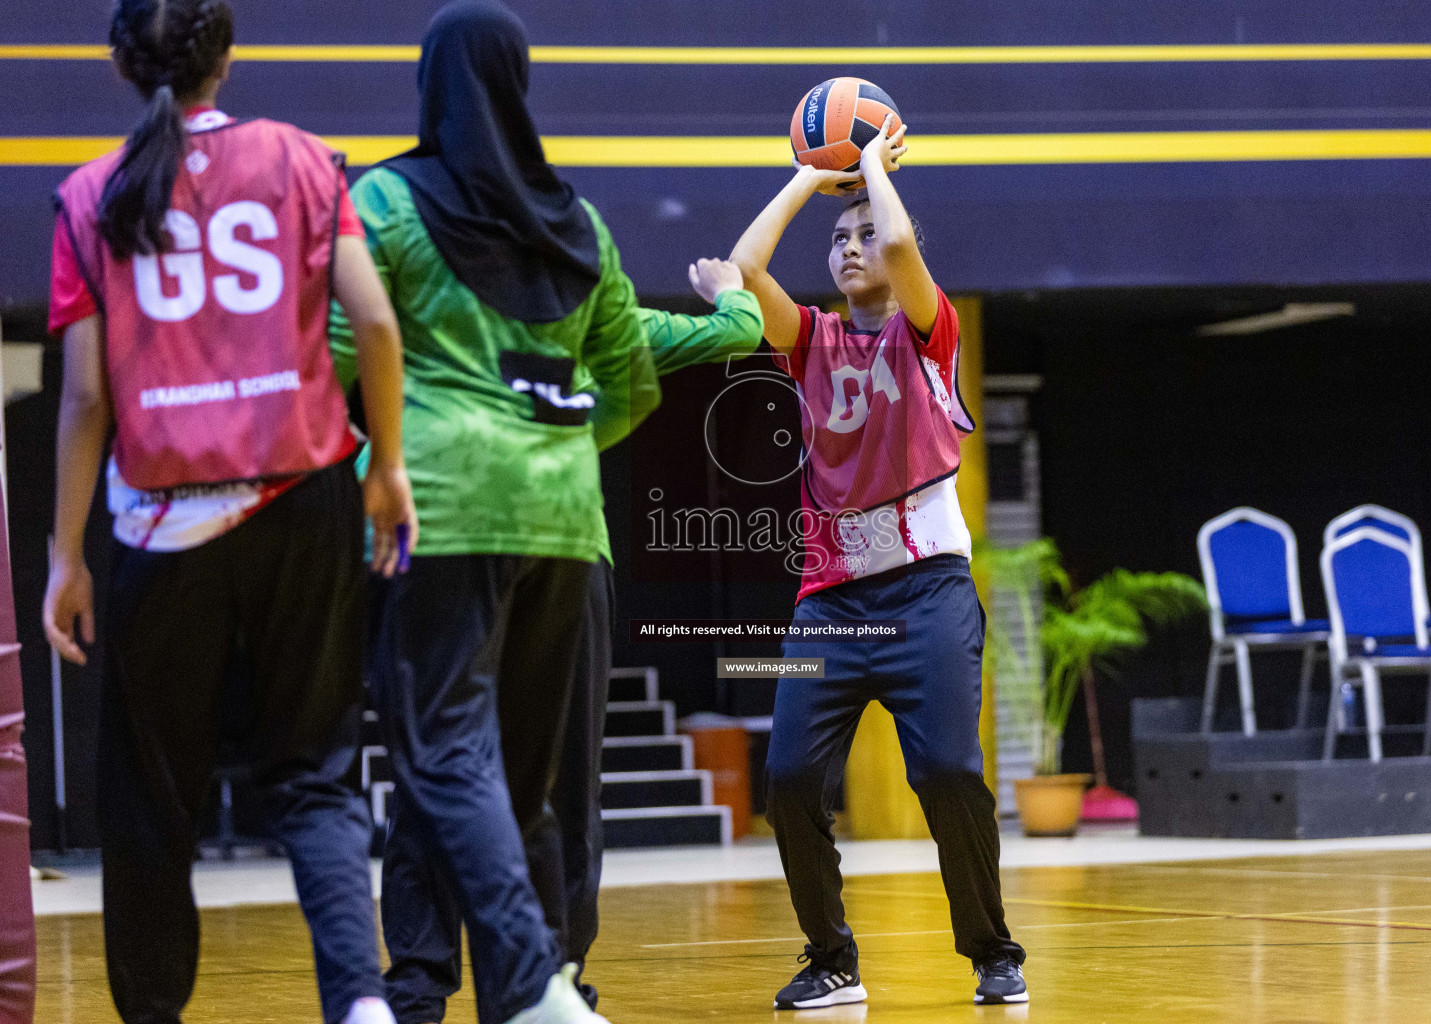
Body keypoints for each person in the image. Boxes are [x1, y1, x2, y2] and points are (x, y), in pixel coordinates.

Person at [42, 3, 416, 1023]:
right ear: (230, 57)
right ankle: (360, 1002)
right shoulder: (301, 159)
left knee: (149, 798)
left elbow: (83, 401)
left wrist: (64, 554)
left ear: (119, 66)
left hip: (159, 529)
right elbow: (374, 322)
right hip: (301, 501)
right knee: (317, 773)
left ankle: (154, 1012)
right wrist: (386, 468)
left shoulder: (88, 194)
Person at [327, 3, 653, 1022]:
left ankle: (450, 987)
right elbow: (631, 384)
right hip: (565, 515)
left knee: (436, 755)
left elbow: (338, 357)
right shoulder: (579, 222)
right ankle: (544, 985)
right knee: (527, 778)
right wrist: (553, 440)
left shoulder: (379, 201)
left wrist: (376, 456)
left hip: (444, 507)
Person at [728, 117, 1029, 1008]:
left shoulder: (928, 335)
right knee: (786, 780)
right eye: (838, 238)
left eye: (864, 236)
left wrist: (864, 170)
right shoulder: (810, 340)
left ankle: (991, 950)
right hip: (830, 602)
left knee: (944, 772)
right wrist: (806, 178)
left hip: (928, 589)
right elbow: (747, 267)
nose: (853, 247)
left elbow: (899, 237)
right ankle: (831, 959)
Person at [553, 258, 765, 1008]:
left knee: (452, 773)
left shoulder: (443, 318)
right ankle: (560, 976)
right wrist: (727, 290)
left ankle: (421, 984)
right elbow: (741, 327)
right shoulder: (606, 322)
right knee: (568, 787)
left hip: (458, 551)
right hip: (567, 556)